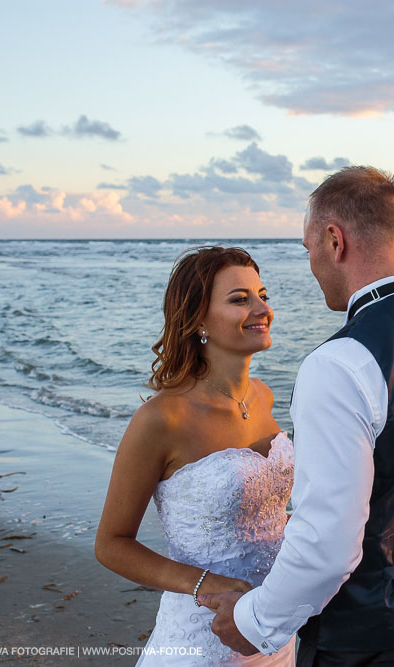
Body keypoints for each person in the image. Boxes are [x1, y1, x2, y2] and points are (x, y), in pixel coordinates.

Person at [201, 167, 394, 666]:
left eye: (309, 249)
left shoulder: (339, 363)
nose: (312, 266)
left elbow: (330, 542)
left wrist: (255, 623)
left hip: (373, 638)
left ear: (334, 240)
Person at [95, 246, 296, 666]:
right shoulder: (162, 419)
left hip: (273, 630)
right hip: (200, 643)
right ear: (198, 319)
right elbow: (111, 544)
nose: (262, 308)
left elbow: (266, 517)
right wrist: (208, 583)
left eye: (263, 295)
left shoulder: (263, 396)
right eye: (240, 299)